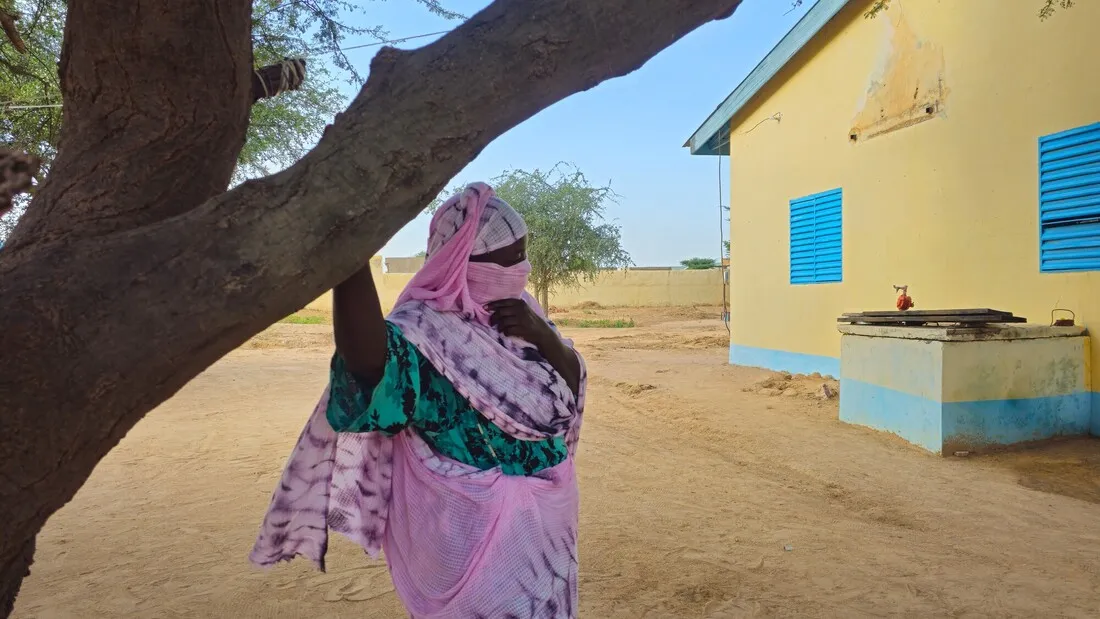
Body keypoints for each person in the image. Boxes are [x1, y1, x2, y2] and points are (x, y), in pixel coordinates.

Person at [250, 182, 587, 618]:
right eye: (504, 265)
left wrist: (543, 336)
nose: (518, 274)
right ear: (456, 265)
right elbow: (371, 369)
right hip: (469, 538)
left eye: (521, 258)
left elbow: (571, 386)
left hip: (549, 538)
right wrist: (350, 262)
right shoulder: (421, 333)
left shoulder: (523, 315)